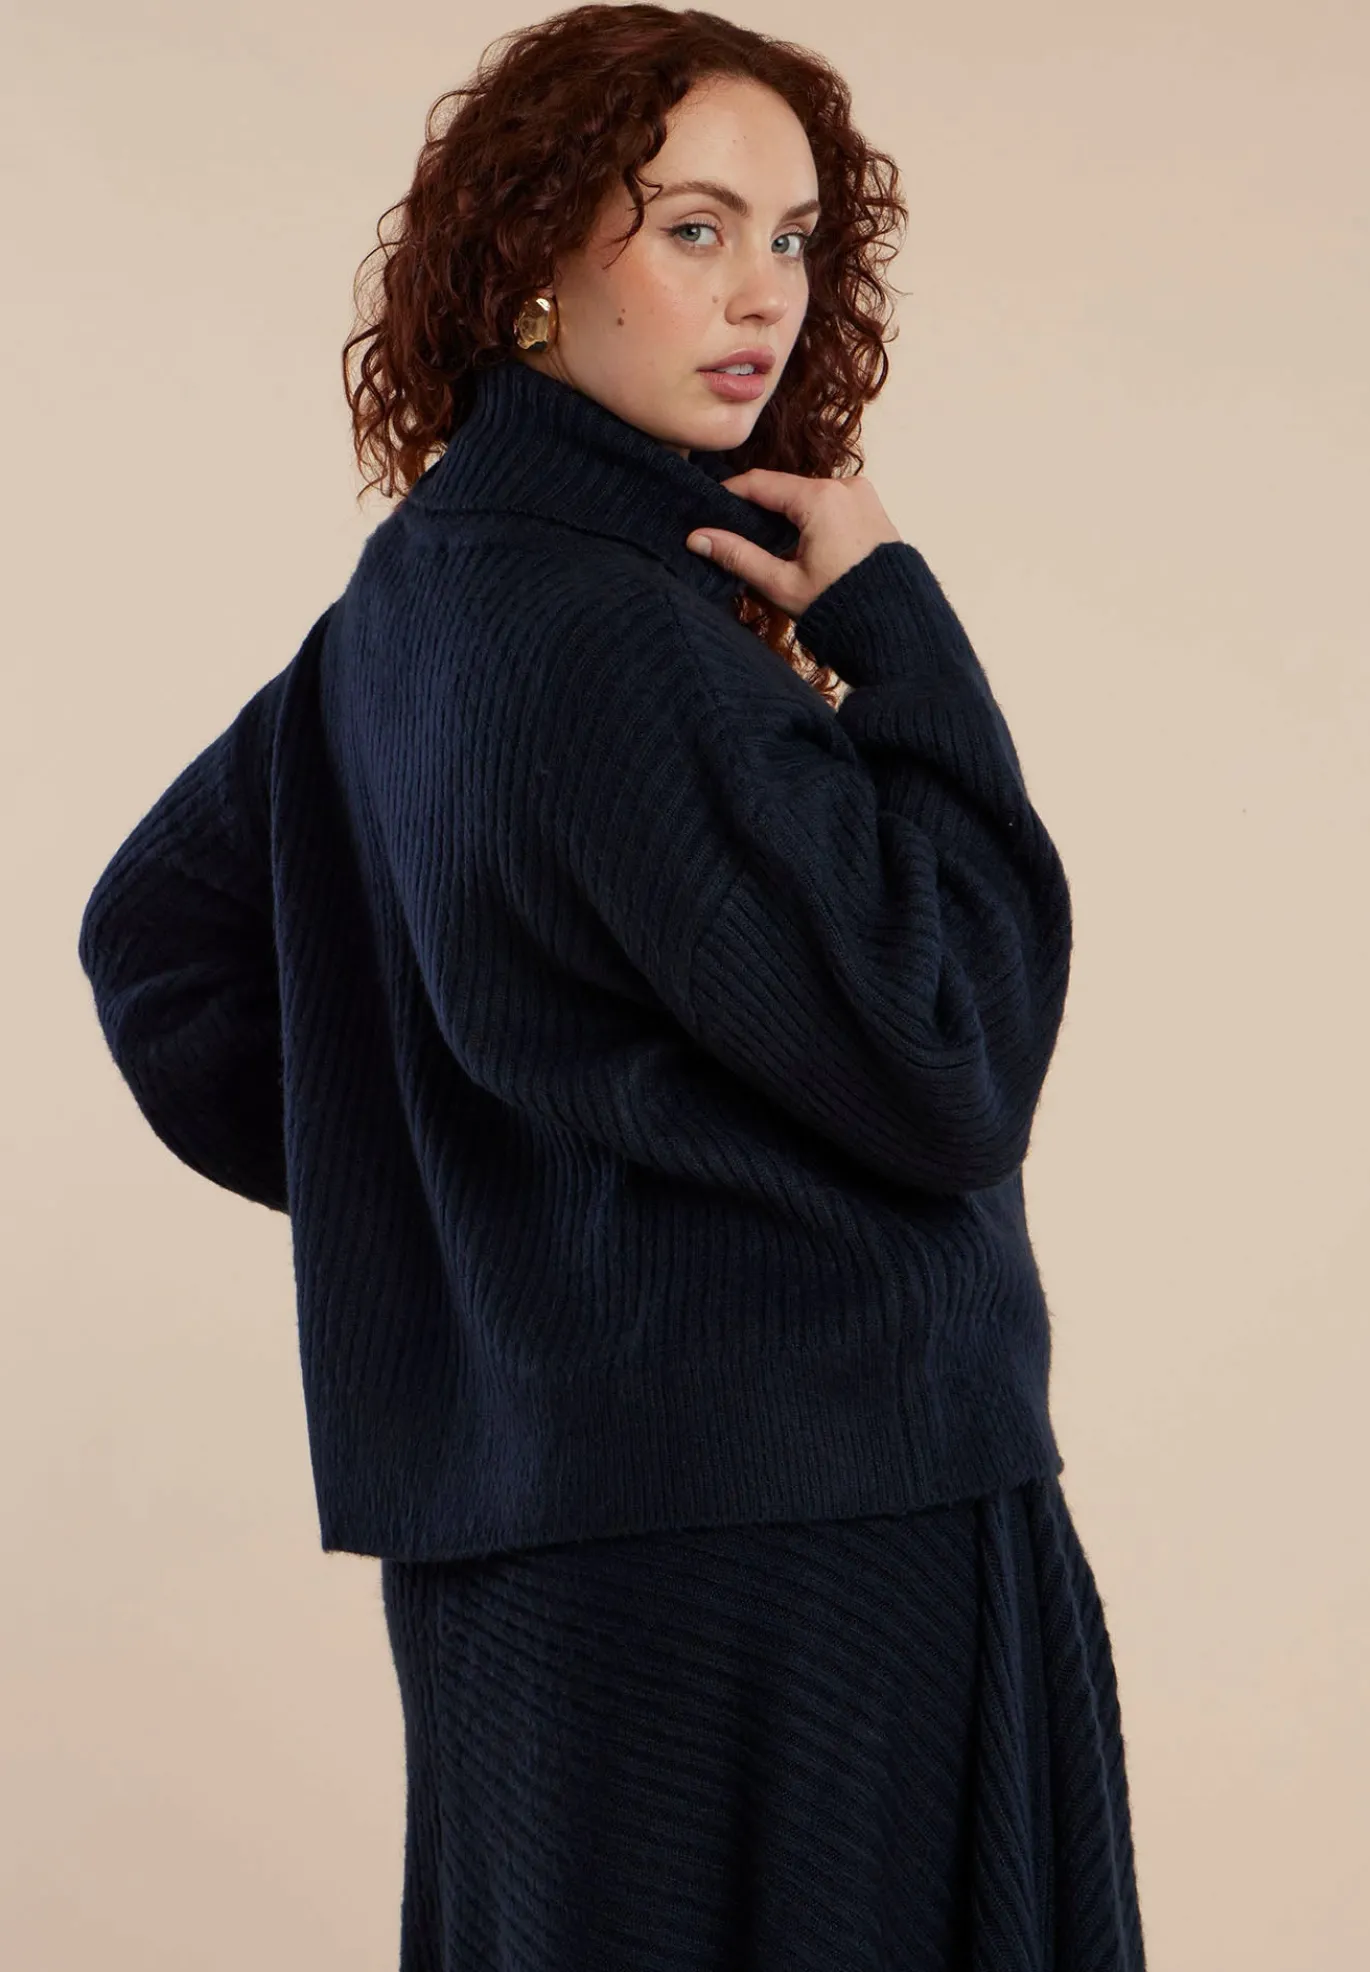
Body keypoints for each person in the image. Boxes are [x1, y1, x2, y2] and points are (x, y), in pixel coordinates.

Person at [76, 7, 1147, 1966]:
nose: (764, 292)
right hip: (813, 1539)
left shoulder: (414, 599)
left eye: (795, 237)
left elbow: (154, 934)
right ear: (531, 258)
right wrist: (903, 634)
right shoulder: (615, 630)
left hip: (541, 1546)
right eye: (693, 227)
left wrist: (480, 1199)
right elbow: (951, 1049)